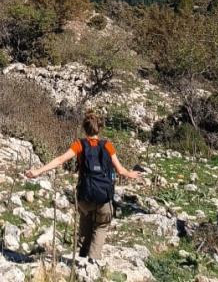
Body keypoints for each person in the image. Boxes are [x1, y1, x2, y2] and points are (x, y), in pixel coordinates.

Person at [25, 112, 142, 261]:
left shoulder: (79, 144)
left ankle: (81, 258)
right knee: (101, 226)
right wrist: (131, 174)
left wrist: (37, 171)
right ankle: (92, 261)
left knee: (85, 225)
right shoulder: (107, 145)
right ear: (99, 128)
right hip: (103, 197)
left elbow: (60, 159)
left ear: (84, 128)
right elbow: (120, 170)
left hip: (85, 196)